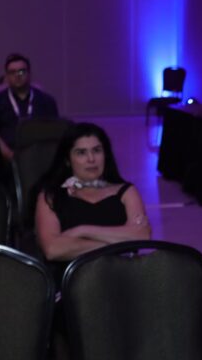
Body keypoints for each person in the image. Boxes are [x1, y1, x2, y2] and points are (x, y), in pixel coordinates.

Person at [34, 122, 150, 285]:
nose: (91, 159)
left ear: (105, 155)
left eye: (97, 150)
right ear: (67, 160)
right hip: (73, 283)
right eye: (81, 153)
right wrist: (119, 242)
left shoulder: (127, 191)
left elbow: (141, 236)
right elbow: (52, 249)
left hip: (122, 280)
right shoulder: (51, 196)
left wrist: (81, 230)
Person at [0, 53, 59, 161]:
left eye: (21, 71)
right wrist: (9, 155)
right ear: (6, 76)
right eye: (12, 72)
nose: (17, 75)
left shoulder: (46, 101)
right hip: (6, 159)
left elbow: (54, 133)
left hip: (40, 158)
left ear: (29, 73)